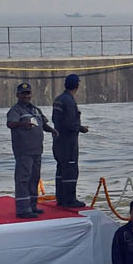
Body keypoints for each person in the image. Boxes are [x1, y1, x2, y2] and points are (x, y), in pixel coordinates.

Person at [5, 82, 54, 218]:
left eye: (28, 93)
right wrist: (22, 124)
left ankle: (32, 205)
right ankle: (23, 209)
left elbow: (44, 124)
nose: (26, 96)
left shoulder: (35, 109)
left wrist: (52, 130)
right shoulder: (15, 110)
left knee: (34, 178)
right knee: (23, 179)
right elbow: (10, 124)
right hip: (24, 151)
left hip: (37, 150)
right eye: (23, 93)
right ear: (17, 95)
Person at [49, 74, 89, 208]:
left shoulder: (58, 99)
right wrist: (82, 128)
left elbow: (56, 119)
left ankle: (61, 198)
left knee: (61, 168)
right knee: (71, 169)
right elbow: (71, 123)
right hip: (69, 142)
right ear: (77, 86)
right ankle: (70, 199)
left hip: (58, 140)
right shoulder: (69, 101)